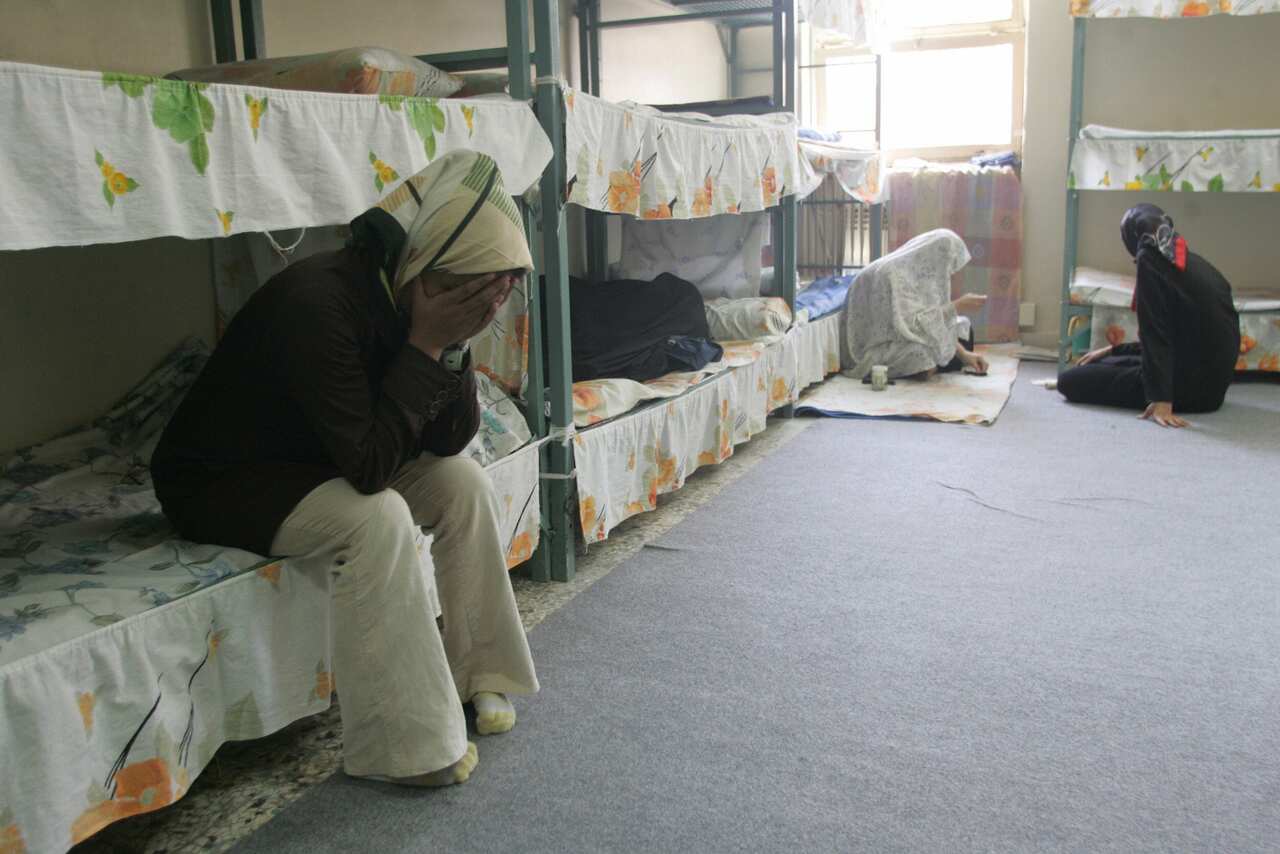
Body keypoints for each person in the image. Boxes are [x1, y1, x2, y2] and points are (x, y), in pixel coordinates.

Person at [151, 151, 539, 787]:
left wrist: (453, 346)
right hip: (226, 479)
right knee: (376, 517)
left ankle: (481, 675)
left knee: (464, 481)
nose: (483, 304)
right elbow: (368, 470)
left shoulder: (407, 295)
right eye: (471, 291)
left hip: (322, 454)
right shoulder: (318, 303)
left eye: (493, 293)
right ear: (425, 269)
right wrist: (425, 344)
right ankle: (405, 747)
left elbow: (448, 440)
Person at [1057, 203, 1240, 428]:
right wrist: (1113, 350)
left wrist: (1161, 399)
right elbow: (1180, 337)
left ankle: (1161, 393)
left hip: (1188, 388)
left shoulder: (1150, 260)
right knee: (1106, 361)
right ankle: (1119, 361)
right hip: (1211, 386)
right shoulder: (1191, 261)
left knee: (1069, 381)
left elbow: (1156, 331)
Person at [842, 229, 990, 382]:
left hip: (902, 336)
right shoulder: (892, 275)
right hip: (873, 348)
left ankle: (946, 362)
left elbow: (926, 324)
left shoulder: (920, 273)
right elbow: (911, 327)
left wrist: (965, 355)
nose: (948, 271)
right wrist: (957, 306)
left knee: (965, 330)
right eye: (947, 263)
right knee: (924, 356)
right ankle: (935, 366)